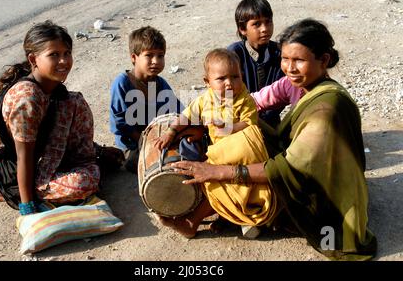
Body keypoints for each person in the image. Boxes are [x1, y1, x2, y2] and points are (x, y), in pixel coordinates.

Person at [161, 18, 377, 260]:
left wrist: (218, 171)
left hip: (325, 199)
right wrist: (207, 124)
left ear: (324, 60)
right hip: (305, 169)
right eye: (285, 59)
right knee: (246, 141)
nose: (290, 68)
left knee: (234, 161)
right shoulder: (304, 85)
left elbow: (288, 169)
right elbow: (256, 102)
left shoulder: (328, 109)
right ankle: (230, 211)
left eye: (299, 60)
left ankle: (195, 219)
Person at [0, 20, 101, 215]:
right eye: (54, 55)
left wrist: (97, 150)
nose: (63, 61)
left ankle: (86, 160)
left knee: (73, 101)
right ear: (33, 59)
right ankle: (42, 187)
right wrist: (27, 207)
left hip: (35, 155)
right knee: (84, 182)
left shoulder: (49, 86)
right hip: (7, 172)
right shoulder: (27, 98)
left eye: (66, 53)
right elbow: (23, 156)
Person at [155, 48, 278, 237]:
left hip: (242, 156)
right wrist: (171, 132)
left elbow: (250, 127)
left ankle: (195, 222)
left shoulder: (245, 99)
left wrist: (229, 127)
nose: (230, 84)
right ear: (208, 82)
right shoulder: (205, 100)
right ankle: (227, 217)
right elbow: (186, 117)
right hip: (219, 154)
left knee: (217, 181)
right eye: (222, 79)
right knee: (209, 184)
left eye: (235, 77)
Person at [109, 26, 182, 173]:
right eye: (149, 55)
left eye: (160, 56)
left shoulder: (160, 83)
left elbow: (178, 110)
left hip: (157, 136)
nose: (155, 61)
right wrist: (145, 142)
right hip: (133, 143)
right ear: (134, 58)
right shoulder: (122, 83)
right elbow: (120, 123)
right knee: (150, 165)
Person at [227, 0, 285, 127]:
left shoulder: (281, 53)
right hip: (240, 123)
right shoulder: (233, 55)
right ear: (243, 29)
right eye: (256, 24)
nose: (264, 28)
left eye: (268, 21)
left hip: (272, 124)